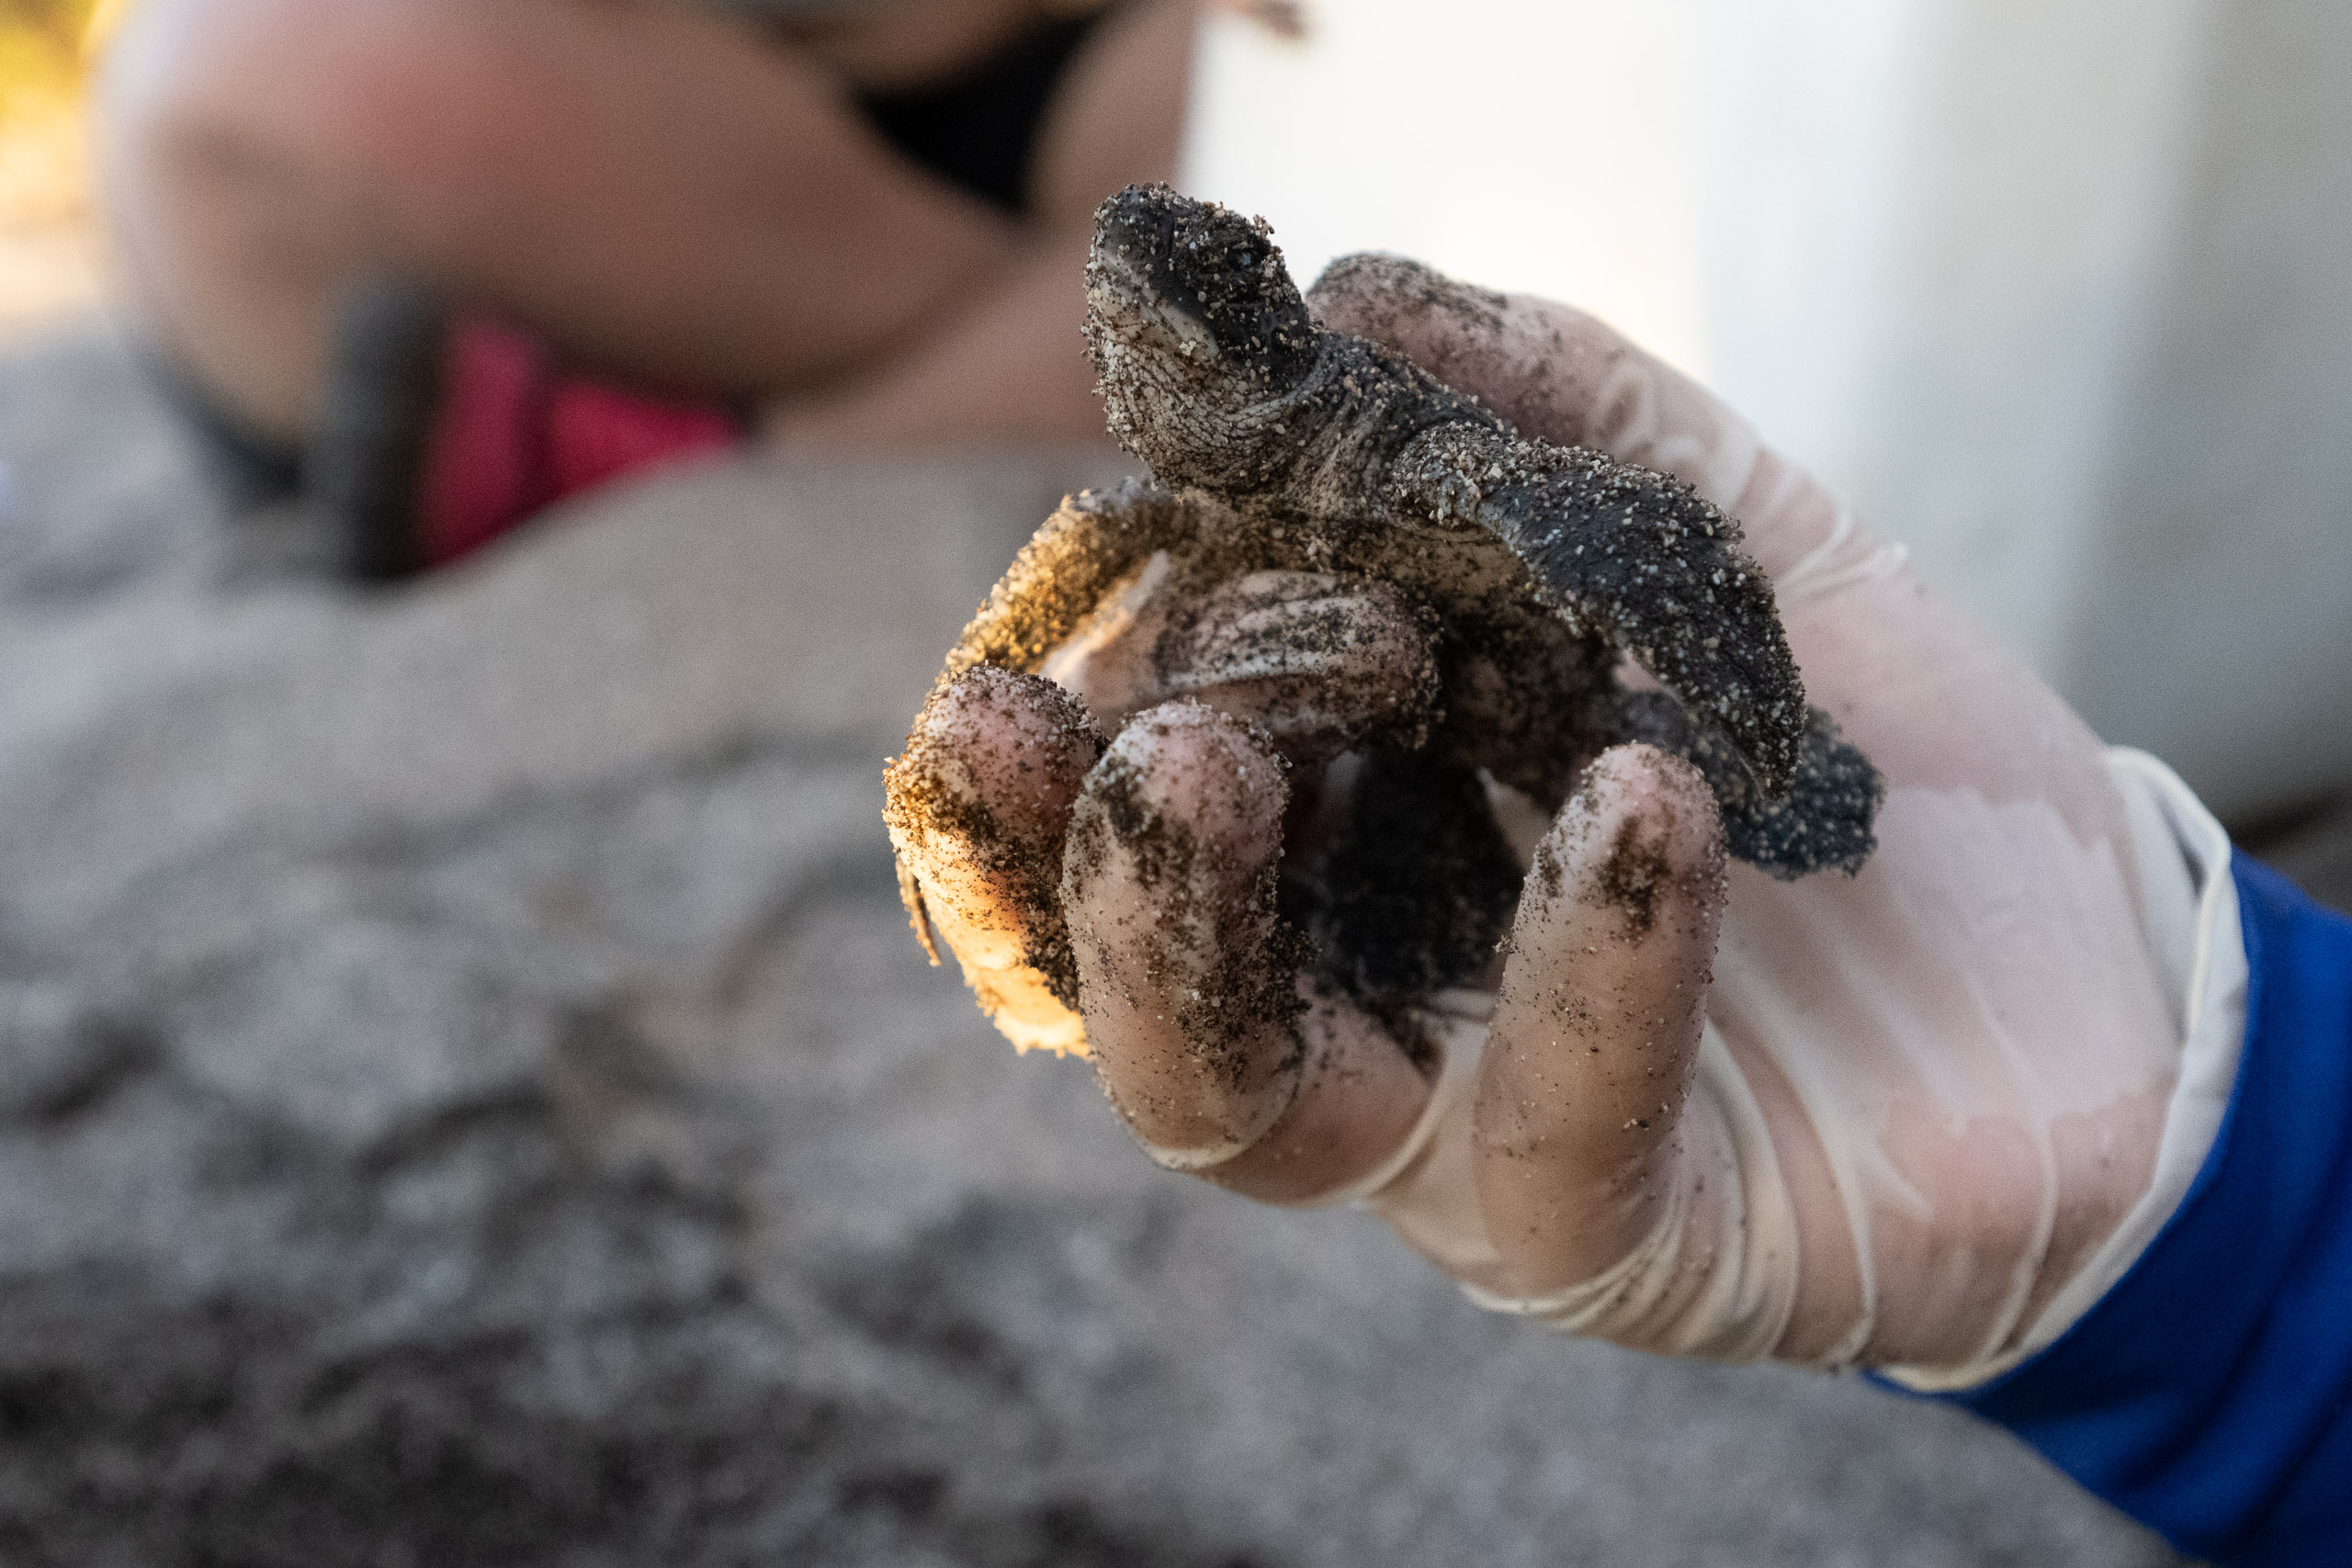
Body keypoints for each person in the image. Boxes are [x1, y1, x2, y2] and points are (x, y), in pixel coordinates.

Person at [891, 259, 2352, 1567]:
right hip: (1398, 772)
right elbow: (1038, 628)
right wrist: (2224, 1235)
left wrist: (1758, 723)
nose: (1154, 365)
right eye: (1127, 342)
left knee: (1493, 674)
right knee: (1173, 764)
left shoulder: (1391, 438)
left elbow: (1621, 529)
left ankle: (1743, 783)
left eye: (1194, 334)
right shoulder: (1142, 513)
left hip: (1551, 704)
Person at [93, 0, 1198, 573]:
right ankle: (1044, 361)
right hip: (580, 116)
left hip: (1047, 83)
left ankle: (676, 461)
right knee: (263, 73)